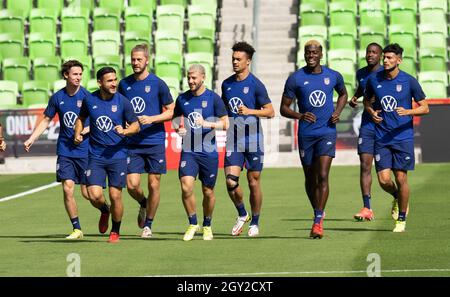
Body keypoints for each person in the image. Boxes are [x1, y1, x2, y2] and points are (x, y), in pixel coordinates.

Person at [23, 60, 103, 240]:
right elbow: (45, 120)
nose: (78, 77)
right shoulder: (57, 98)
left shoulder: (88, 97)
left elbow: (99, 121)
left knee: (90, 194)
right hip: (66, 151)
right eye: (75, 74)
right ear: (66, 75)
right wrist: (31, 138)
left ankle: (105, 210)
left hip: (86, 151)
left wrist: (85, 130)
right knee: (67, 189)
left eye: (80, 74)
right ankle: (77, 229)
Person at [280, 40, 348, 239]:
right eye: (308, 53)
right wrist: (299, 116)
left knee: (323, 175)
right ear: (304, 55)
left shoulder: (333, 76)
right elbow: (283, 108)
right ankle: (318, 210)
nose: (311, 56)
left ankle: (318, 220)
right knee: (310, 177)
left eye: (314, 52)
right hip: (306, 134)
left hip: (327, 132)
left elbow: (343, 94)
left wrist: (338, 111)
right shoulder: (295, 79)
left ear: (321, 54)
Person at [363, 43, 429, 232]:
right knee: (384, 180)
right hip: (381, 137)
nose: (385, 60)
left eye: (390, 58)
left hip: (403, 137)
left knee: (401, 178)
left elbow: (425, 107)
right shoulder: (374, 80)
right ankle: (396, 197)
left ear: (399, 60)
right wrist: (371, 112)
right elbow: (367, 101)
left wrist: (408, 111)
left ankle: (401, 219)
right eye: (384, 57)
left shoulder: (409, 81)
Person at [74, 67, 140, 243]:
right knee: (93, 195)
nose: (114, 83)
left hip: (118, 155)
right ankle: (105, 210)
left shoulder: (123, 102)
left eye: (115, 80)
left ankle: (115, 231)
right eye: (109, 80)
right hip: (95, 155)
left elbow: (136, 125)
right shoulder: (89, 100)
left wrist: (125, 131)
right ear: (99, 82)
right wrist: (77, 133)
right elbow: (81, 119)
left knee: (115, 195)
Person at [118, 44, 175, 238]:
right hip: (132, 142)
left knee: (154, 184)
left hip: (154, 140)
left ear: (147, 60)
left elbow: (171, 110)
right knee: (132, 185)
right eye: (133, 59)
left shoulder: (158, 84)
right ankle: (143, 203)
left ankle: (148, 225)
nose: (135, 63)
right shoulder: (124, 84)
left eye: (139, 59)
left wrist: (152, 119)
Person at [221, 42, 274, 237]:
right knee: (230, 181)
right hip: (233, 139)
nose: (234, 62)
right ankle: (242, 213)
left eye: (238, 59)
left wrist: (250, 111)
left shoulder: (256, 85)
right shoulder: (226, 84)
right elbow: (224, 111)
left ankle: (256, 222)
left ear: (248, 61)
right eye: (233, 59)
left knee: (253, 182)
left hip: (253, 139)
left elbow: (270, 111)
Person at [172, 64, 229, 241]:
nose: (190, 81)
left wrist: (208, 124)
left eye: (194, 78)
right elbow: (175, 120)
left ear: (203, 77)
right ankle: (192, 223)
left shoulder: (213, 98)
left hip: (208, 151)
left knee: (208, 192)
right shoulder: (182, 99)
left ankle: (207, 225)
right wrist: (178, 129)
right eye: (188, 77)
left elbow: (226, 123)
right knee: (186, 186)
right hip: (189, 150)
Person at [349, 43, 383, 221]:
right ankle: (367, 207)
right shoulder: (361, 73)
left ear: (381, 55)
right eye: (368, 51)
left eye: (374, 52)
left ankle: (398, 198)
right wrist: (355, 97)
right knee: (364, 165)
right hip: (368, 124)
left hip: (385, 124)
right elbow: (363, 89)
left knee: (385, 174)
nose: (370, 55)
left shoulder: (386, 73)